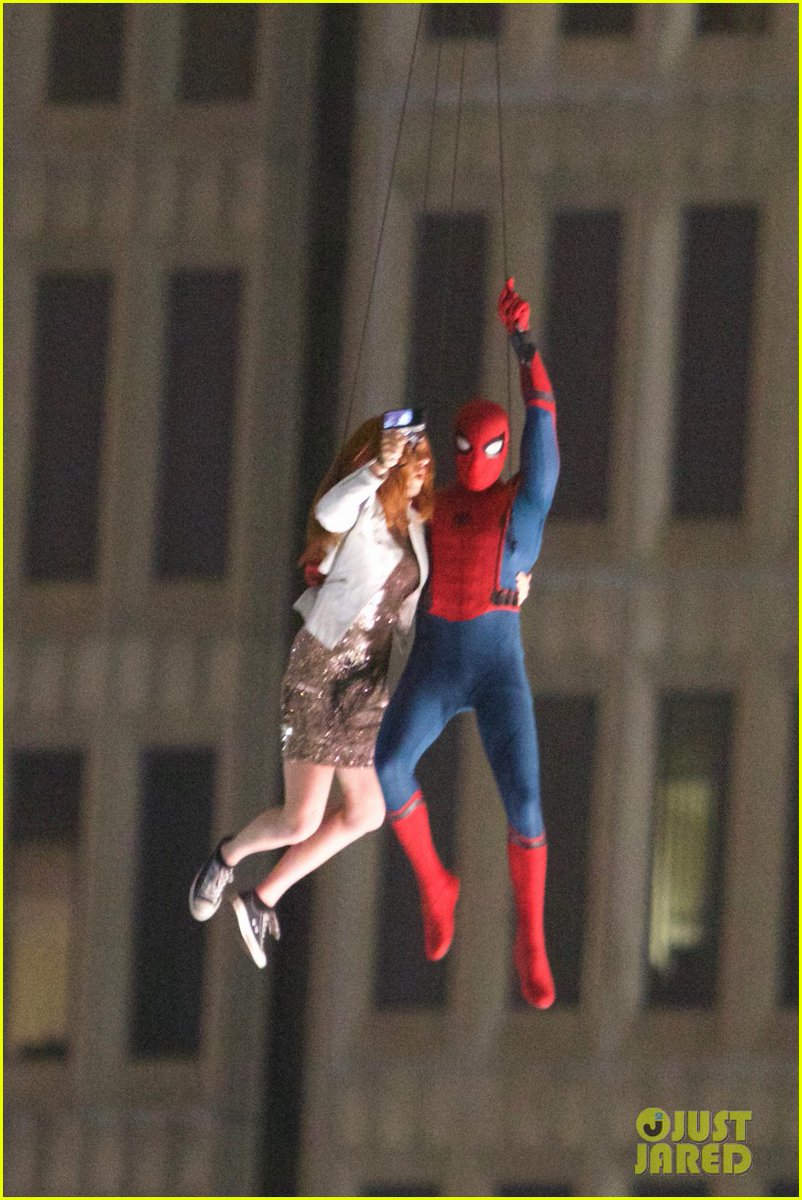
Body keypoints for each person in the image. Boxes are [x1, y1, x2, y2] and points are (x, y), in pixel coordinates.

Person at [375, 278, 560, 1008]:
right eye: (463, 448)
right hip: (436, 659)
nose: (473, 457)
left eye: (485, 449)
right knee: (389, 763)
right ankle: (436, 885)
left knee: (527, 802)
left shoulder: (522, 502)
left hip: (493, 665)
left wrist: (527, 349)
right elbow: (374, 518)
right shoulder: (433, 502)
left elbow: (543, 431)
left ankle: (531, 935)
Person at [189, 418, 433, 968]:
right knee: (300, 818)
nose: (422, 467)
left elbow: (417, 611)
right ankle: (227, 857)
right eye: (412, 456)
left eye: (425, 458)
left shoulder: (418, 529)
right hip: (322, 665)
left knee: (368, 810)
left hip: (367, 682)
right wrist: (377, 468)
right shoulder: (363, 506)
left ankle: (261, 898)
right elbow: (329, 512)